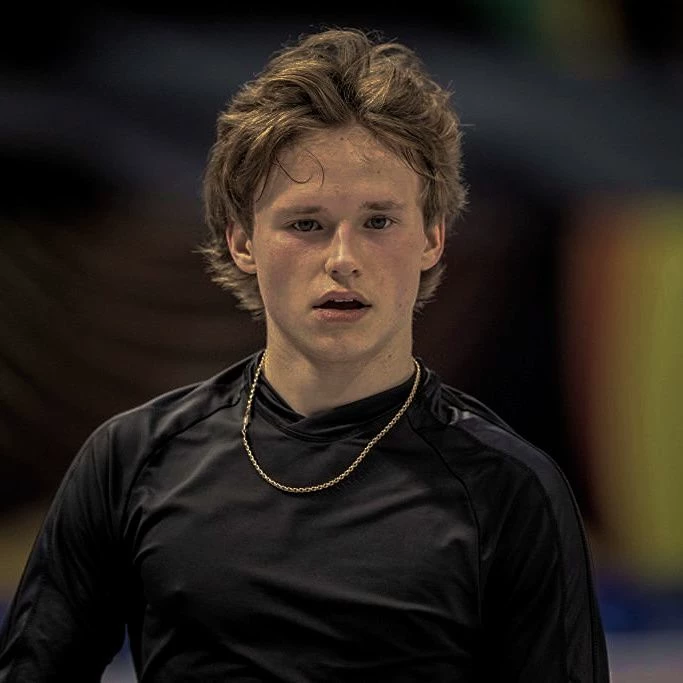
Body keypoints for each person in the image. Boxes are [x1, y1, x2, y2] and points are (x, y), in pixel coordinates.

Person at [0, 27, 610, 682]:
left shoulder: (509, 488)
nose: (343, 259)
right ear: (241, 242)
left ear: (432, 239)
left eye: (378, 221)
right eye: (306, 223)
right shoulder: (131, 459)